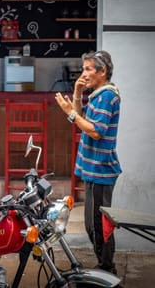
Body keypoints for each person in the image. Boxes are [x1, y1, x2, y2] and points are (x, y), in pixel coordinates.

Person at [55, 50, 122, 274]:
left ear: (103, 72)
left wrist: (70, 113)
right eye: (83, 69)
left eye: (88, 69)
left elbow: (95, 131)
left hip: (102, 169)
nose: (83, 73)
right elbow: (80, 117)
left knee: (100, 227)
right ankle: (104, 267)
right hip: (93, 169)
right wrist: (76, 93)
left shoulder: (107, 96)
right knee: (91, 226)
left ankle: (107, 269)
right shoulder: (97, 94)